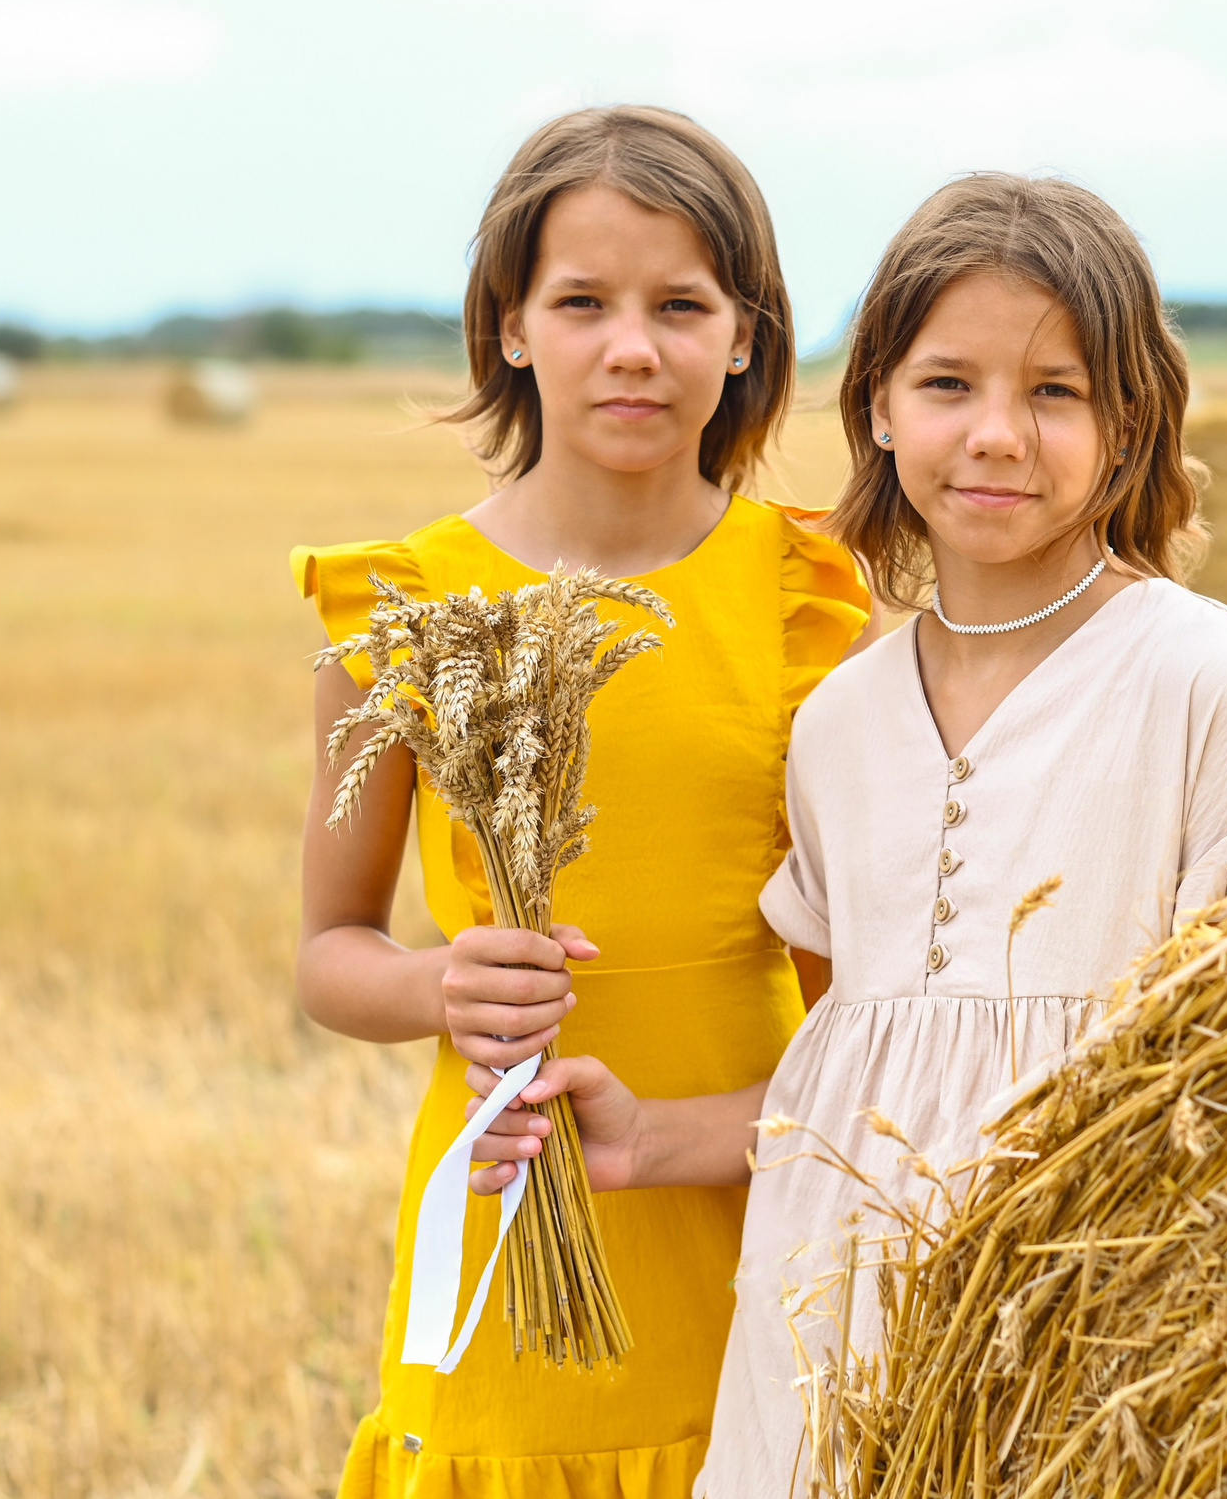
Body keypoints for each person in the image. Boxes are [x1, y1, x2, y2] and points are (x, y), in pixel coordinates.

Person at [464, 173, 1227, 1498]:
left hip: (1089, 1329)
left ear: (1132, 420)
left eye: (1055, 391)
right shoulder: (842, 721)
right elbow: (859, 1084)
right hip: (831, 1334)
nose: (996, 434)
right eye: (947, 386)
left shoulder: (1199, 677)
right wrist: (651, 1139)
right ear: (876, 403)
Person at [293, 105, 871, 1498]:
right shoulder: (406, 608)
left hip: (754, 1195)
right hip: (512, 1204)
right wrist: (437, 987)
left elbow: (859, 983)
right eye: (582, 302)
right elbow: (330, 954)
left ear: (744, 334)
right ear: (509, 327)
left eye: (681, 304)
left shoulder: (807, 600)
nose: (633, 346)